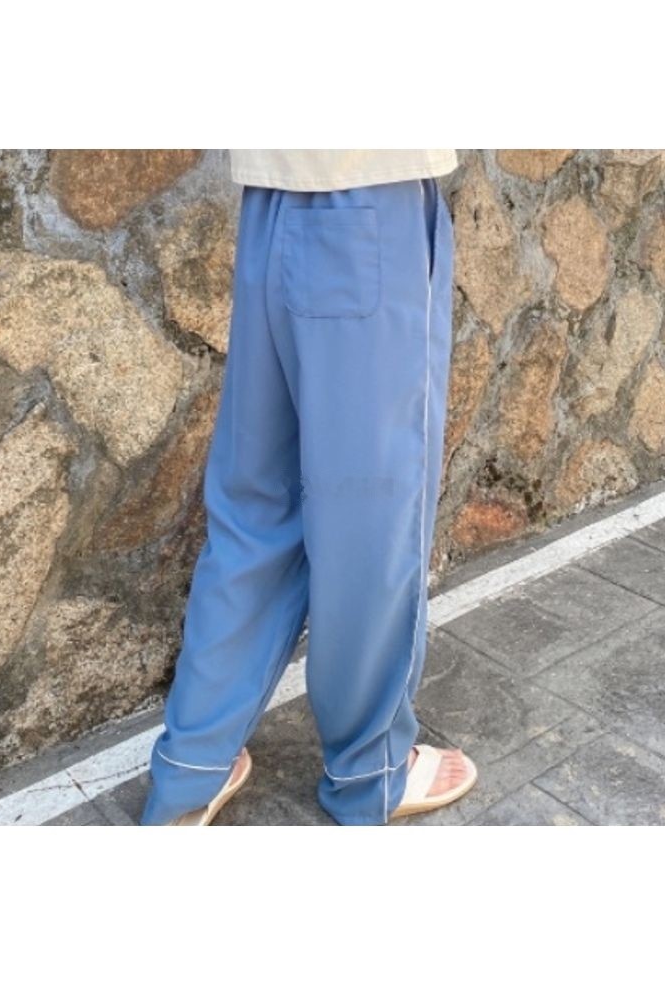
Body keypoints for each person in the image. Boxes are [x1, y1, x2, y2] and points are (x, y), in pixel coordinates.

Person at [139, 150, 478, 826]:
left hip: (271, 199)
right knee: (369, 514)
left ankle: (191, 768)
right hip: (372, 188)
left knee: (258, 503)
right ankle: (371, 769)